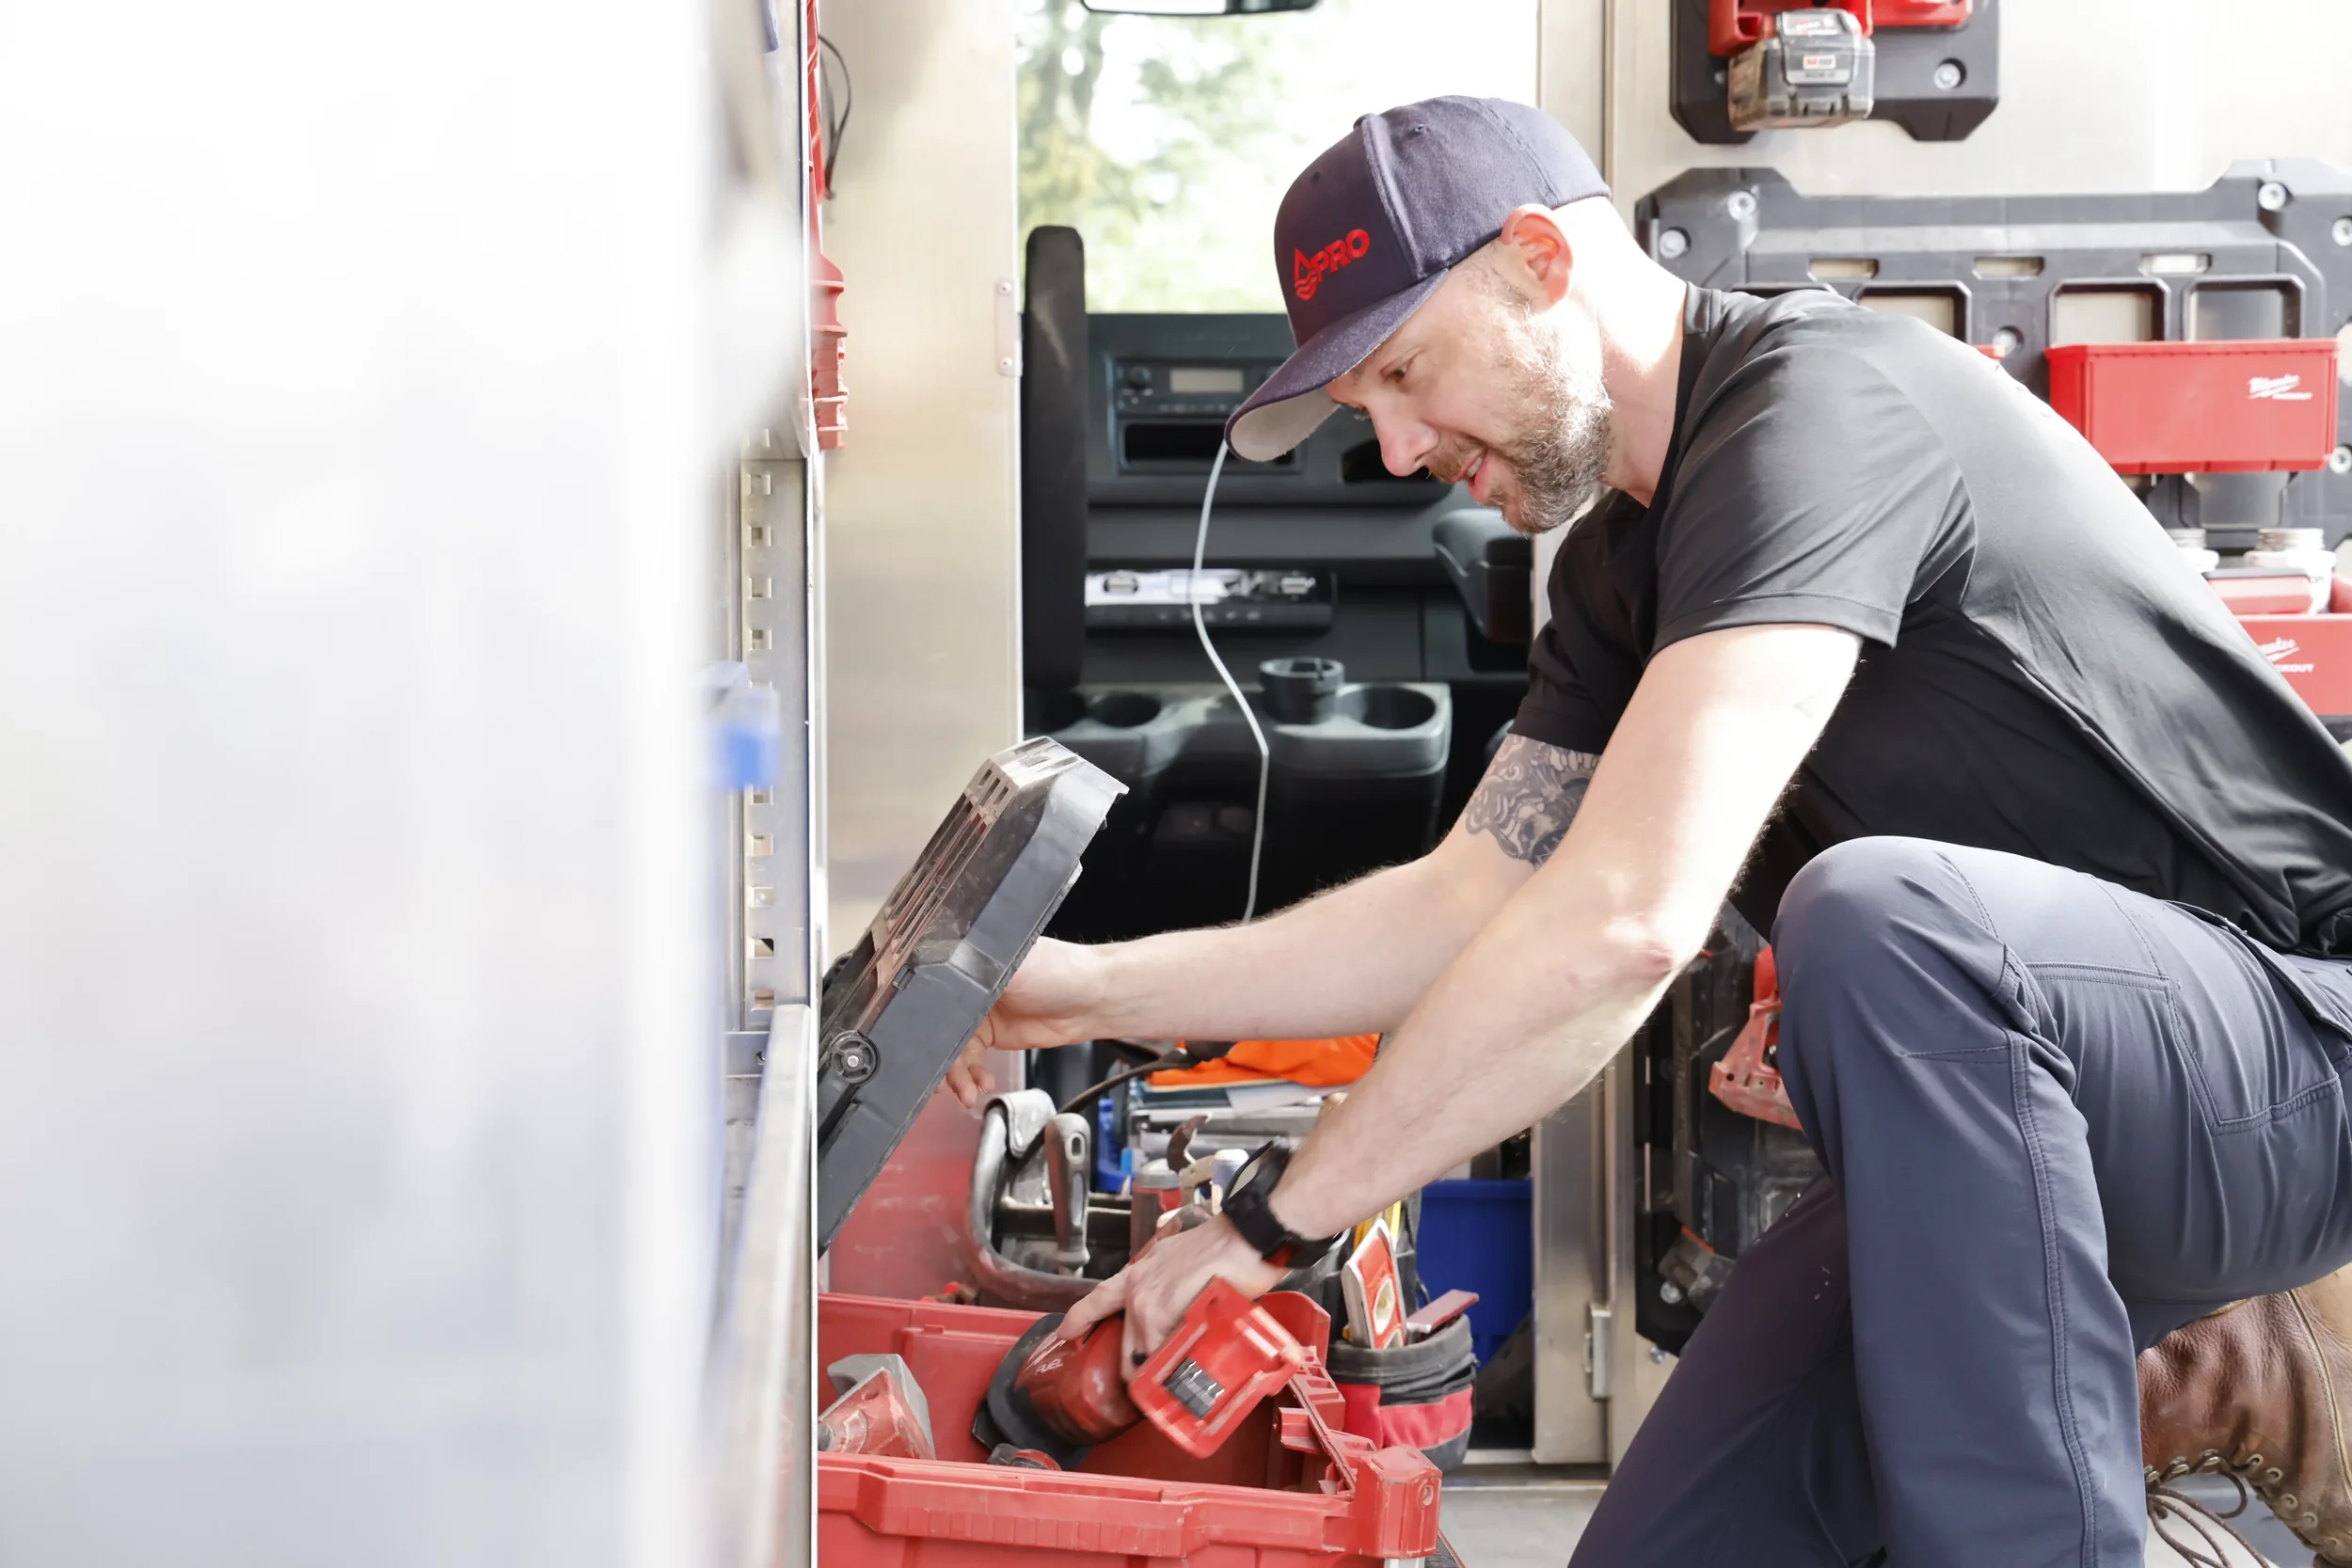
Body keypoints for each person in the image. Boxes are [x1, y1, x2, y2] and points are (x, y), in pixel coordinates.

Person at [951, 96, 2352, 1565]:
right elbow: (1462, 907)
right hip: (2050, 1107)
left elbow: (1629, 917)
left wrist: (1269, 1223)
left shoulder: (1820, 407)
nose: (1402, 446)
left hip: (2297, 1053)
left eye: (1407, 374)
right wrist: (1079, 986)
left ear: (1542, 258)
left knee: (1883, 927)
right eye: (1369, 406)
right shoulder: (1621, 568)